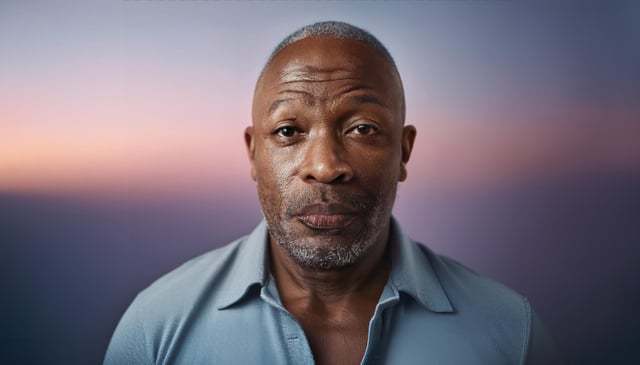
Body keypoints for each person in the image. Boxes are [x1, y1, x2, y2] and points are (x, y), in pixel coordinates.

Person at [104, 21, 562, 365]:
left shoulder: (510, 334)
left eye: (362, 128)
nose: (325, 167)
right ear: (252, 153)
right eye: (288, 130)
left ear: (403, 151)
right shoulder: (156, 330)